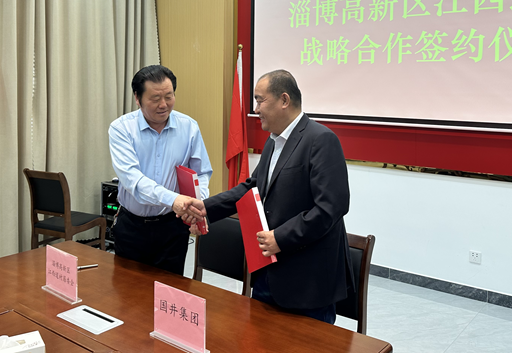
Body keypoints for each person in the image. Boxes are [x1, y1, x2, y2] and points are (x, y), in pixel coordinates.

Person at [180, 69, 353, 323]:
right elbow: (253, 188)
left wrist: (281, 238)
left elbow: (330, 208)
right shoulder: (273, 141)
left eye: (260, 100)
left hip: (308, 282)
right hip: (268, 273)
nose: (256, 109)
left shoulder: (321, 140)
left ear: (284, 100)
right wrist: (206, 207)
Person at [109, 65, 211, 275]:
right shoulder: (121, 129)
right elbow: (133, 180)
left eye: (169, 96)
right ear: (137, 98)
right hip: (132, 227)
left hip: (172, 228)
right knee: (128, 289)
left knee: (170, 289)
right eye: (155, 98)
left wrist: (196, 208)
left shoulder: (189, 127)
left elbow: (201, 173)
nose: (163, 105)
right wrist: (174, 200)